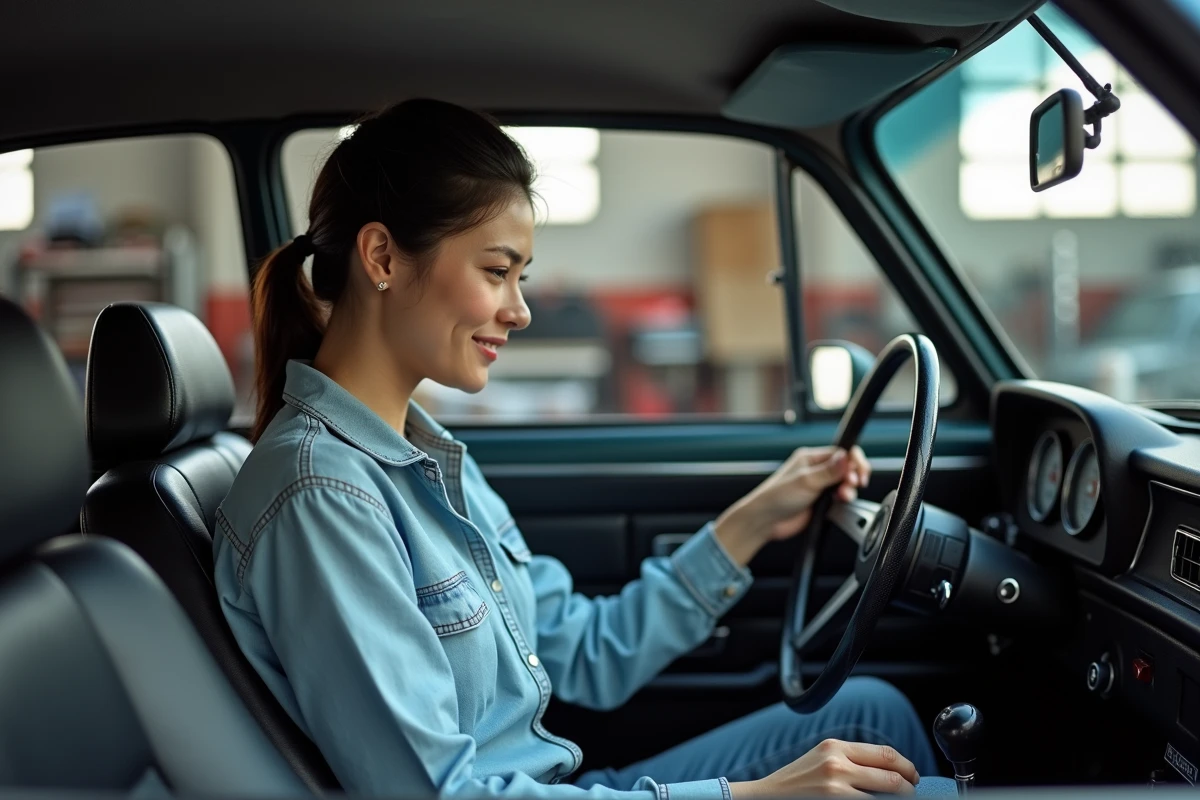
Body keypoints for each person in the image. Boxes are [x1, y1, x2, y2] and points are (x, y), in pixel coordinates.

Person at [213, 99, 956, 798]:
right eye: (496, 271)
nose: (521, 309)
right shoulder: (321, 498)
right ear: (382, 256)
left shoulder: (425, 461)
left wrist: (756, 517)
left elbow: (587, 653)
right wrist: (747, 796)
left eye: (520, 277)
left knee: (871, 714)